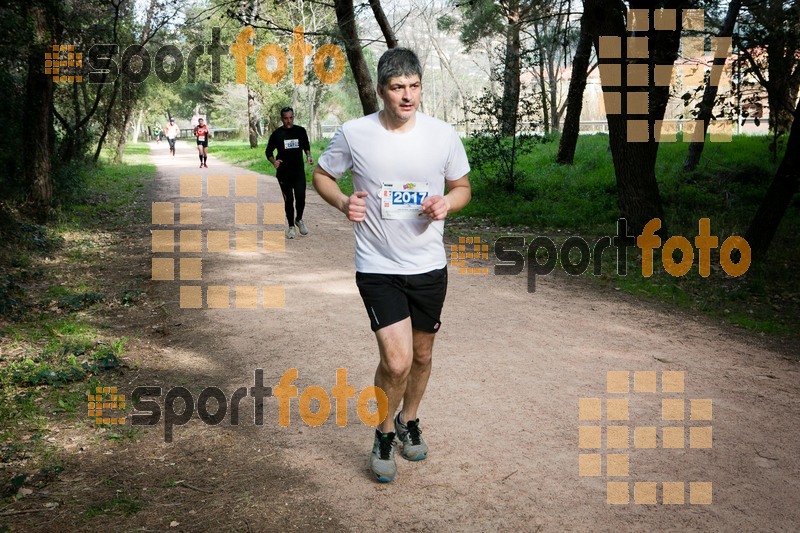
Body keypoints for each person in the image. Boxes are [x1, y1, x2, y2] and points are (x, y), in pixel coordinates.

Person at [312, 48, 471, 483]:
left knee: (422, 356)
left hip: (428, 265)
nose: (407, 96)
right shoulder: (355, 133)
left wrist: (446, 203)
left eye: (414, 87)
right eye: (398, 88)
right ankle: (383, 432)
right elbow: (322, 175)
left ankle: (408, 419)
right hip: (378, 264)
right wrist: (343, 201)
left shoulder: (442, 136)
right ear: (381, 90)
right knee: (397, 361)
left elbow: (462, 187)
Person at [265, 107, 313, 239]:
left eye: (291, 117)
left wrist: (309, 156)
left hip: (298, 172)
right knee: (289, 200)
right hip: (283, 173)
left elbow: (306, 146)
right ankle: (291, 226)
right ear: (282, 119)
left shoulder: (300, 131)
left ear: (293, 117)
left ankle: (299, 219)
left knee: (301, 197)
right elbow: (268, 152)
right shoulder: (277, 134)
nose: (288, 121)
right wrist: (274, 161)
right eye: (286, 118)